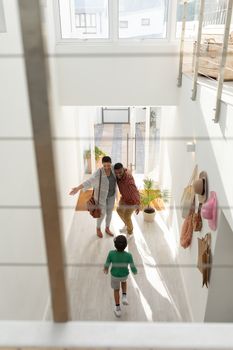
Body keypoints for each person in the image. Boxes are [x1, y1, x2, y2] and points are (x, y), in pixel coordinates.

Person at [69, 156, 116, 238]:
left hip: (111, 196)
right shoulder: (99, 173)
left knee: (109, 213)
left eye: (108, 165)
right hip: (101, 197)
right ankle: (98, 228)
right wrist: (77, 188)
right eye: (104, 166)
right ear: (102, 165)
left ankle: (107, 228)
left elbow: (122, 171)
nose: (106, 168)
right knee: (102, 213)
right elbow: (89, 182)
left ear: (111, 164)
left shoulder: (113, 169)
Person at [104, 235, 137, 317]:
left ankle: (118, 308)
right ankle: (124, 296)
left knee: (116, 290)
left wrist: (106, 269)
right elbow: (132, 266)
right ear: (126, 245)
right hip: (124, 275)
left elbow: (107, 263)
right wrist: (135, 271)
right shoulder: (129, 255)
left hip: (114, 276)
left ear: (115, 245)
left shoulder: (111, 253)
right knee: (124, 282)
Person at [114, 163, 140, 237]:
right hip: (124, 197)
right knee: (119, 210)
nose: (118, 174)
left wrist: (137, 204)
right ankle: (127, 225)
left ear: (123, 170)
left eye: (120, 172)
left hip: (132, 201)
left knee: (126, 216)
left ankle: (130, 232)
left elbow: (134, 192)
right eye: (116, 173)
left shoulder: (129, 180)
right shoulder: (117, 175)